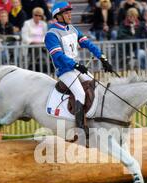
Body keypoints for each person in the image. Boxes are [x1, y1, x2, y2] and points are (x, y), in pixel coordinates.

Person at [44, 1, 114, 133]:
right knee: (80, 93)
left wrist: (102, 58)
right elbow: (58, 56)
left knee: (96, 86)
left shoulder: (72, 29)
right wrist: (75, 64)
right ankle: (80, 127)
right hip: (64, 71)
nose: (70, 15)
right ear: (58, 16)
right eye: (66, 13)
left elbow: (88, 44)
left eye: (70, 12)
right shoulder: (51, 34)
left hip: (76, 67)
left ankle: (96, 118)